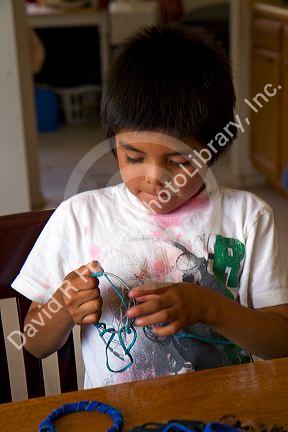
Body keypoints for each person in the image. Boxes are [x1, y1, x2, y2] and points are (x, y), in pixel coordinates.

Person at [11, 24, 288, 389]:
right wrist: (63, 308)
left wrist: (210, 307)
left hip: (224, 412)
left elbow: (280, 344)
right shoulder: (80, 217)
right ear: (114, 142)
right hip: (118, 415)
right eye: (134, 156)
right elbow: (32, 342)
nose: (154, 177)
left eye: (179, 161)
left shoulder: (247, 219)